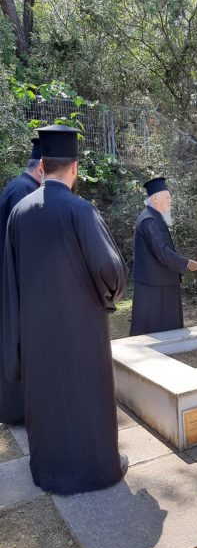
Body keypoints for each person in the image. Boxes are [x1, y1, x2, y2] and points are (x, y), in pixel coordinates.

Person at [3, 125, 129, 495]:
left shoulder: (19, 212)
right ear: (74, 167)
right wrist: (109, 295)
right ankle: (98, 470)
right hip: (81, 329)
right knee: (87, 395)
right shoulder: (81, 210)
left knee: (47, 399)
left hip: (36, 332)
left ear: (42, 166)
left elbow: (10, 279)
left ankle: (51, 471)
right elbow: (110, 269)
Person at [0, 138, 43, 425]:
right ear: (42, 168)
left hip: (10, 282)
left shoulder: (16, 186)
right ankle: (22, 411)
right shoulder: (25, 193)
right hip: (17, 286)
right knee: (21, 346)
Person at [130, 177, 197, 336]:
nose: (170, 201)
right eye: (167, 198)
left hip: (159, 282)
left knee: (161, 328)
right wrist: (187, 263)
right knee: (156, 330)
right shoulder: (149, 220)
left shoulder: (153, 217)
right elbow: (162, 252)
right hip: (155, 286)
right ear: (155, 199)